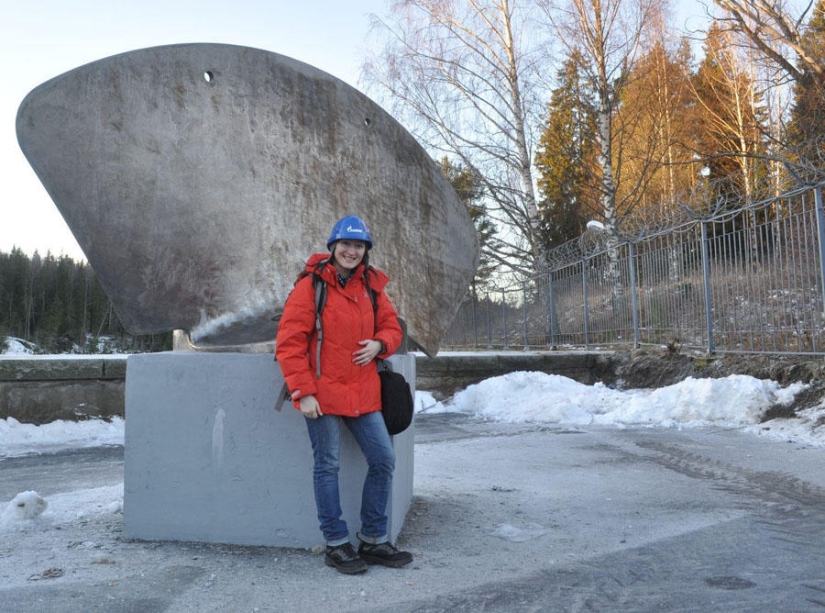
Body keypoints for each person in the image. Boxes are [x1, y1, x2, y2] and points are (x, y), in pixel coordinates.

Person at [275, 215, 414, 575]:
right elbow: (289, 343)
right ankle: (336, 543)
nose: (351, 251)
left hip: (363, 393)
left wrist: (380, 343)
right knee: (328, 466)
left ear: (365, 251)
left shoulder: (372, 287)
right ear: (333, 247)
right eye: (345, 245)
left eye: (358, 246)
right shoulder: (311, 287)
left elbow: (392, 327)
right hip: (321, 396)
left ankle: (372, 538)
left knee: (383, 459)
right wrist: (302, 392)